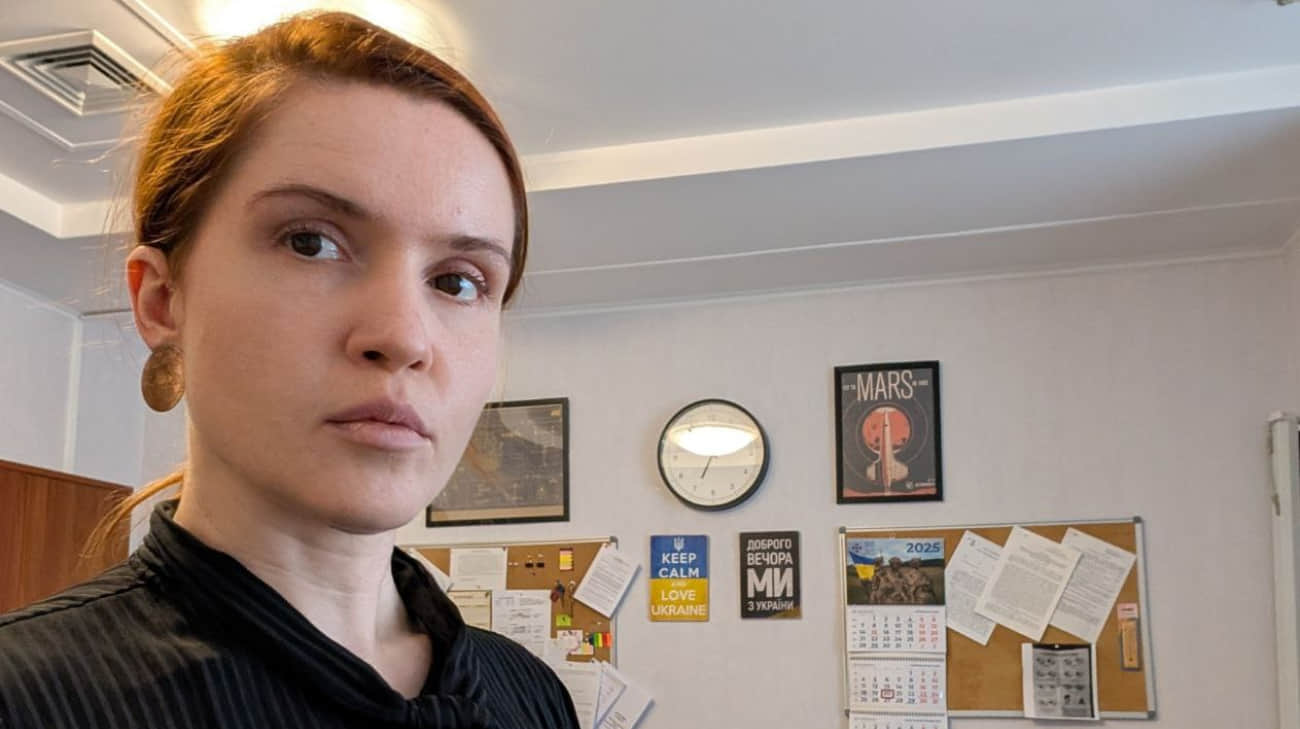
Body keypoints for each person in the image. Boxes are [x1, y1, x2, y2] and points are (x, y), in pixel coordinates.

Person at [0, 11, 580, 729]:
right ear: (163, 300)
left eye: (458, 281)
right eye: (311, 242)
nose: (403, 337)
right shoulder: (27, 697)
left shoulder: (531, 695)